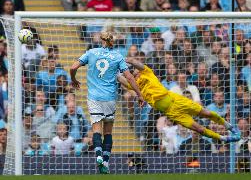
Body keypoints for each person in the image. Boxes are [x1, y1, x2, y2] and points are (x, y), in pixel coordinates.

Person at [118, 58, 241, 144]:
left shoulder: (147, 73)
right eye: (129, 73)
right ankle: (224, 138)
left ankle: (229, 127)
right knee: (198, 129)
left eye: (132, 70)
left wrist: (121, 59)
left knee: (206, 113)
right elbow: (119, 78)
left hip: (176, 100)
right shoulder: (133, 86)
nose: (132, 73)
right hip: (172, 112)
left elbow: (133, 61)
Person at [70, 32, 144, 174]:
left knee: (96, 130)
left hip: (94, 98)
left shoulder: (91, 52)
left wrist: (73, 80)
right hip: (109, 98)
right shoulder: (117, 56)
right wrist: (139, 94)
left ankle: (98, 156)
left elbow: (73, 67)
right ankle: (105, 162)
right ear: (112, 42)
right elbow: (129, 77)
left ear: (101, 40)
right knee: (108, 132)